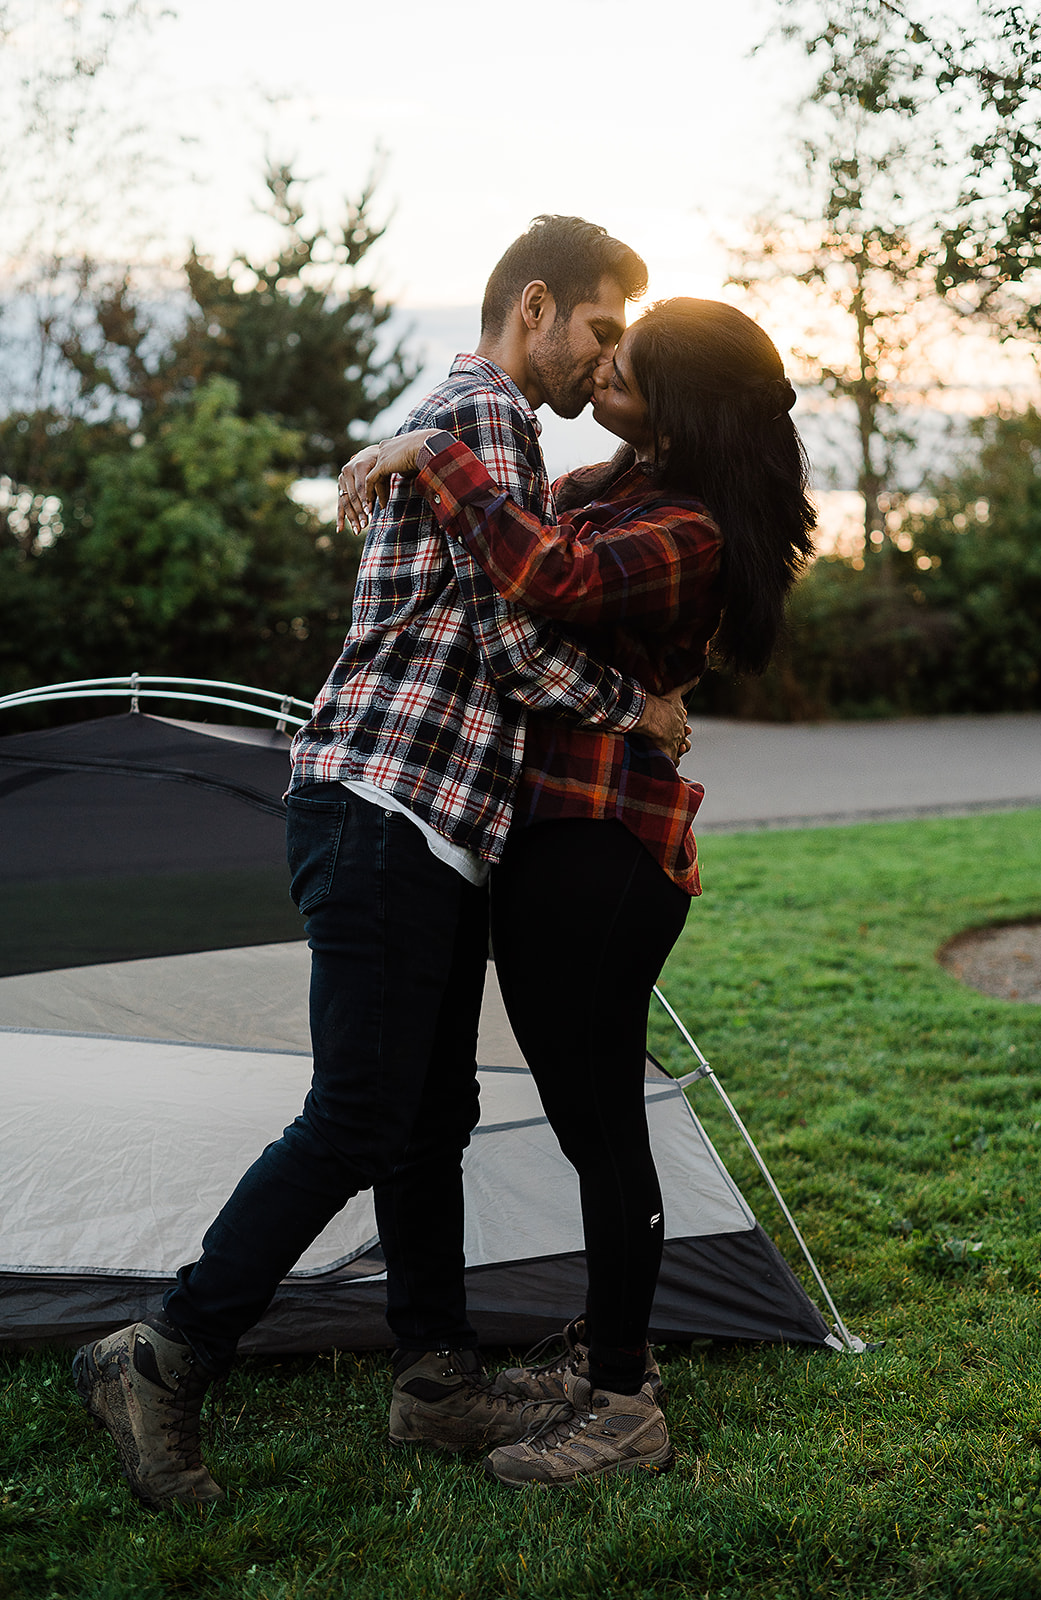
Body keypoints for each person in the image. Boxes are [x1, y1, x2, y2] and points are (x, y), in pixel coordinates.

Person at [70, 216, 692, 1510]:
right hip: (387, 802)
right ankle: (164, 1352)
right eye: (599, 327)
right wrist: (636, 704)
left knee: (428, 1116)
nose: (603, 358)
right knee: (364, 1110)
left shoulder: (461, 420)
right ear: (535, 307)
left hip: (430, 818)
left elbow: (505, 607)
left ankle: (436, 1380)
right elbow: (511, 639)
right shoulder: (488, 416)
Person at [349, 297, 817, 1485]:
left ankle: (622, 1407)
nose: (606, 367)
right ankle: (619, 1353)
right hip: (553, 839)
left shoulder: (692, 529)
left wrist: (435, 449)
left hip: (608, 850)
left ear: (684, 402)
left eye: (632, 361)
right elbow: (509, 557)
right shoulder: (622, 480)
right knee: (580, 1120)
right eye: (609, 349)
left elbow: (545, 578)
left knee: (604, 1128)